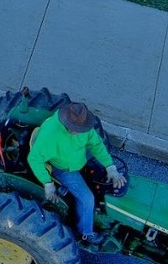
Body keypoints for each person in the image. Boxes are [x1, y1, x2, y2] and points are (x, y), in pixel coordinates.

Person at [28, 102, 127, 245]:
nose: (77, 131)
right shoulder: (50, 134)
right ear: (65, 121)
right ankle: (86, 233)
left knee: (100, 173)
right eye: (74, 128)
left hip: (79, 158)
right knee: (87, 199)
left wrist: (111, 167)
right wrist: (47, 183)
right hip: (63, 168)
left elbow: (96, 145)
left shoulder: (84, 127)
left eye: (80, 128)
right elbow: (34, 158)